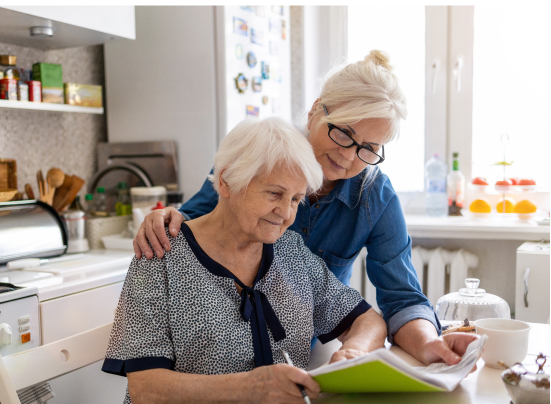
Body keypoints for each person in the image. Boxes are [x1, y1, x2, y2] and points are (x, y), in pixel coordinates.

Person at [133, 50, 479, 367]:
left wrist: (429, 343)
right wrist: (166, 218)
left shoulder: (375, 196)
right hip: (219, 351)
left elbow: (402, 298)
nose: (347, 156)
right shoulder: (258, 155)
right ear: (316, 111)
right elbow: (194, 224)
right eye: (344, 133)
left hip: (303, 351)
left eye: (368, 148)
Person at [102, 117, 388, 404]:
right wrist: (252, 388)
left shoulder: (290, 251)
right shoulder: (161, 254)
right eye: (274, 193)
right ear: (226, 182)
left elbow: (368, 320)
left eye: (296, 199)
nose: (285, 212)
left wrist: (353, 352)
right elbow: (147, 390)